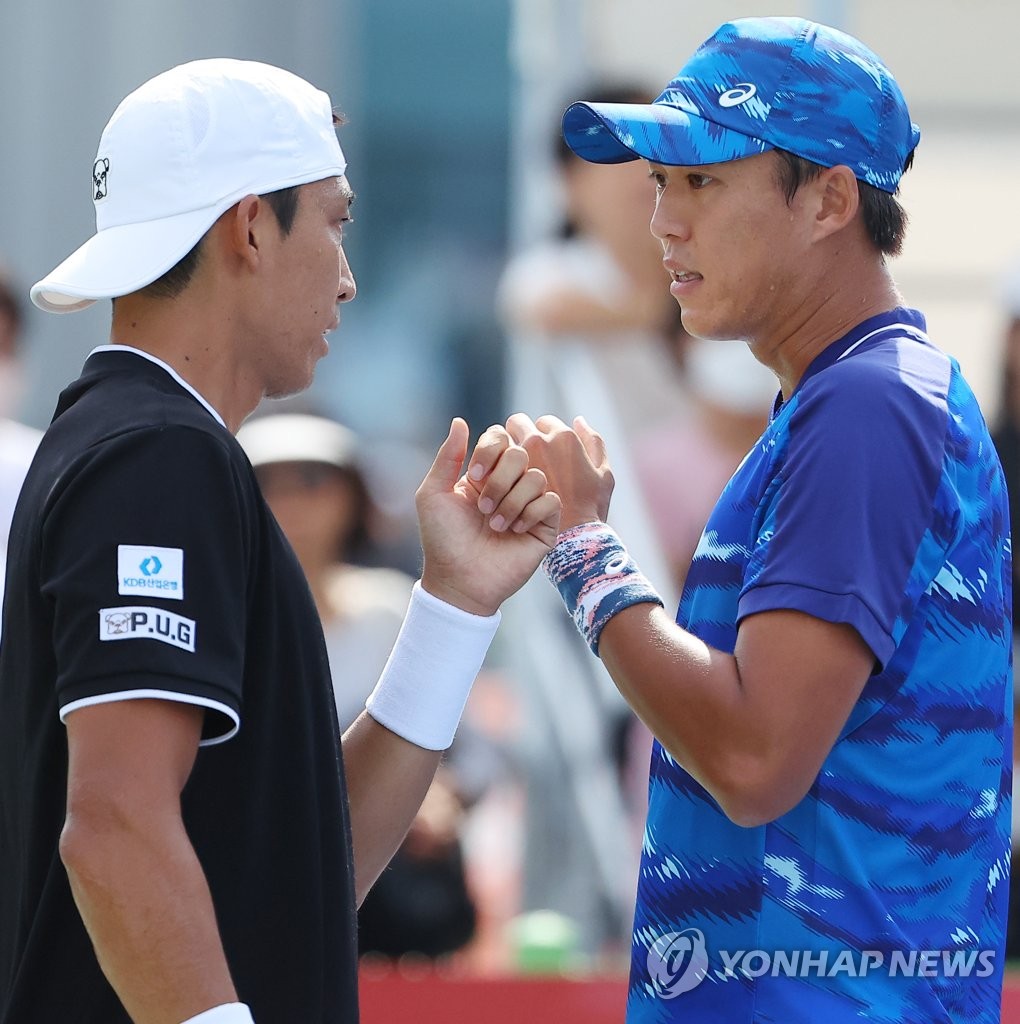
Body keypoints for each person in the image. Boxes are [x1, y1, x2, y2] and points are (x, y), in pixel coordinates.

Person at [0, 59, 560, 1024]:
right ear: (250, 228)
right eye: (337, 221)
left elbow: (301, 871)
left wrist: (454, 604)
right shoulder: (157, 454)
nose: (349, 278)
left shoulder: (151, 446)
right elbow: (115, 829)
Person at [504, 17, 1012, 1024]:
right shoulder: (853, 399)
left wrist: (584, 549)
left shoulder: (869, 404)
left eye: (703, 180)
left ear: (830, 198)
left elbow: (753, 758)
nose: (663, 221)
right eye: (660, 182)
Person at [236, 410, 484, 960]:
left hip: (394, 894)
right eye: (267, 483)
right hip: (265, 879)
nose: (293, 503)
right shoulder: (219, 620)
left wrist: (441, 794)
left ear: (353, 498)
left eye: (314, 481)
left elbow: (472, 751)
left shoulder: (391, 608)